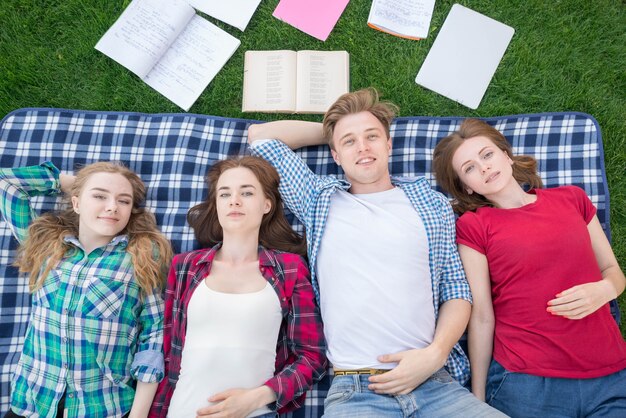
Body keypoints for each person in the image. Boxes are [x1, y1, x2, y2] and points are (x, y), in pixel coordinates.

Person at [247, 89, 504, 417]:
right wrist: (332, 129)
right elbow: (261, 137)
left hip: (434, 384)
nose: (363, 148)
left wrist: (436, 354)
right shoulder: (318, 200)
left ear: (388, 145)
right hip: (358, 393)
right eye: (349, 142)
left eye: (372, 137)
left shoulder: (432, 204)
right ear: (335, 155)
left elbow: (456, 291)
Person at [432, 118, 626, 417]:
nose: (483, 167)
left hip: (610, 376)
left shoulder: (571, 199)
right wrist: (478, 399)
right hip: (528, 382)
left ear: (506, 156)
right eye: (469, 168)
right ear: (466, 188)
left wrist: (604, 289)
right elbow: (482, 316)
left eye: (487, 155)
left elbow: (612, 270)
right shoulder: (475, 226)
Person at [149, 156, 326, 418]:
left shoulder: (289, 269)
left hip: (254, 413)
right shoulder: (185, 266)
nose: (234, 200)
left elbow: (312, 358)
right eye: (225, 194)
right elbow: (165, 350)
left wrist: (256, 398)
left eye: (247, 192)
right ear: (217, 205)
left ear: (267, 204)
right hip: (181, 410)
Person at [0, 161, 173, 418]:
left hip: (103, 407)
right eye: (99, 196)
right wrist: (78, 183)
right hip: (32, 403)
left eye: (124, 201)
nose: (112, 206)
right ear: (76, 203)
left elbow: (154, 336)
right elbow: (8, 184)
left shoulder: (142, 256)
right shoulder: (46, 246)